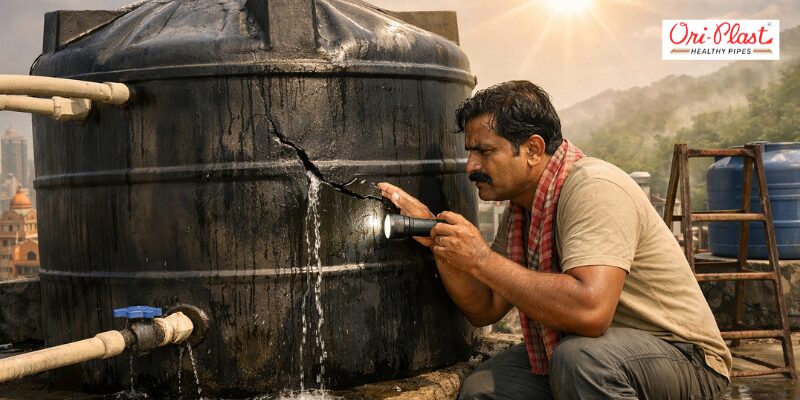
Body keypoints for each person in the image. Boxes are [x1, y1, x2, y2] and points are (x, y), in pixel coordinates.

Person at [377, 80, 731, 399]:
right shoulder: (522, 208)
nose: (471, 166)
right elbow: (485, 307)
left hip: (684, 358)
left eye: (484, 151)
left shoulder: (594, 187)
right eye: (470, 152)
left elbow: (590, 311)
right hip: (590, 352)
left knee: (582, 360)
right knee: (485, 389)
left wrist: (481, 259)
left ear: (532, 149)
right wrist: (442, 243)